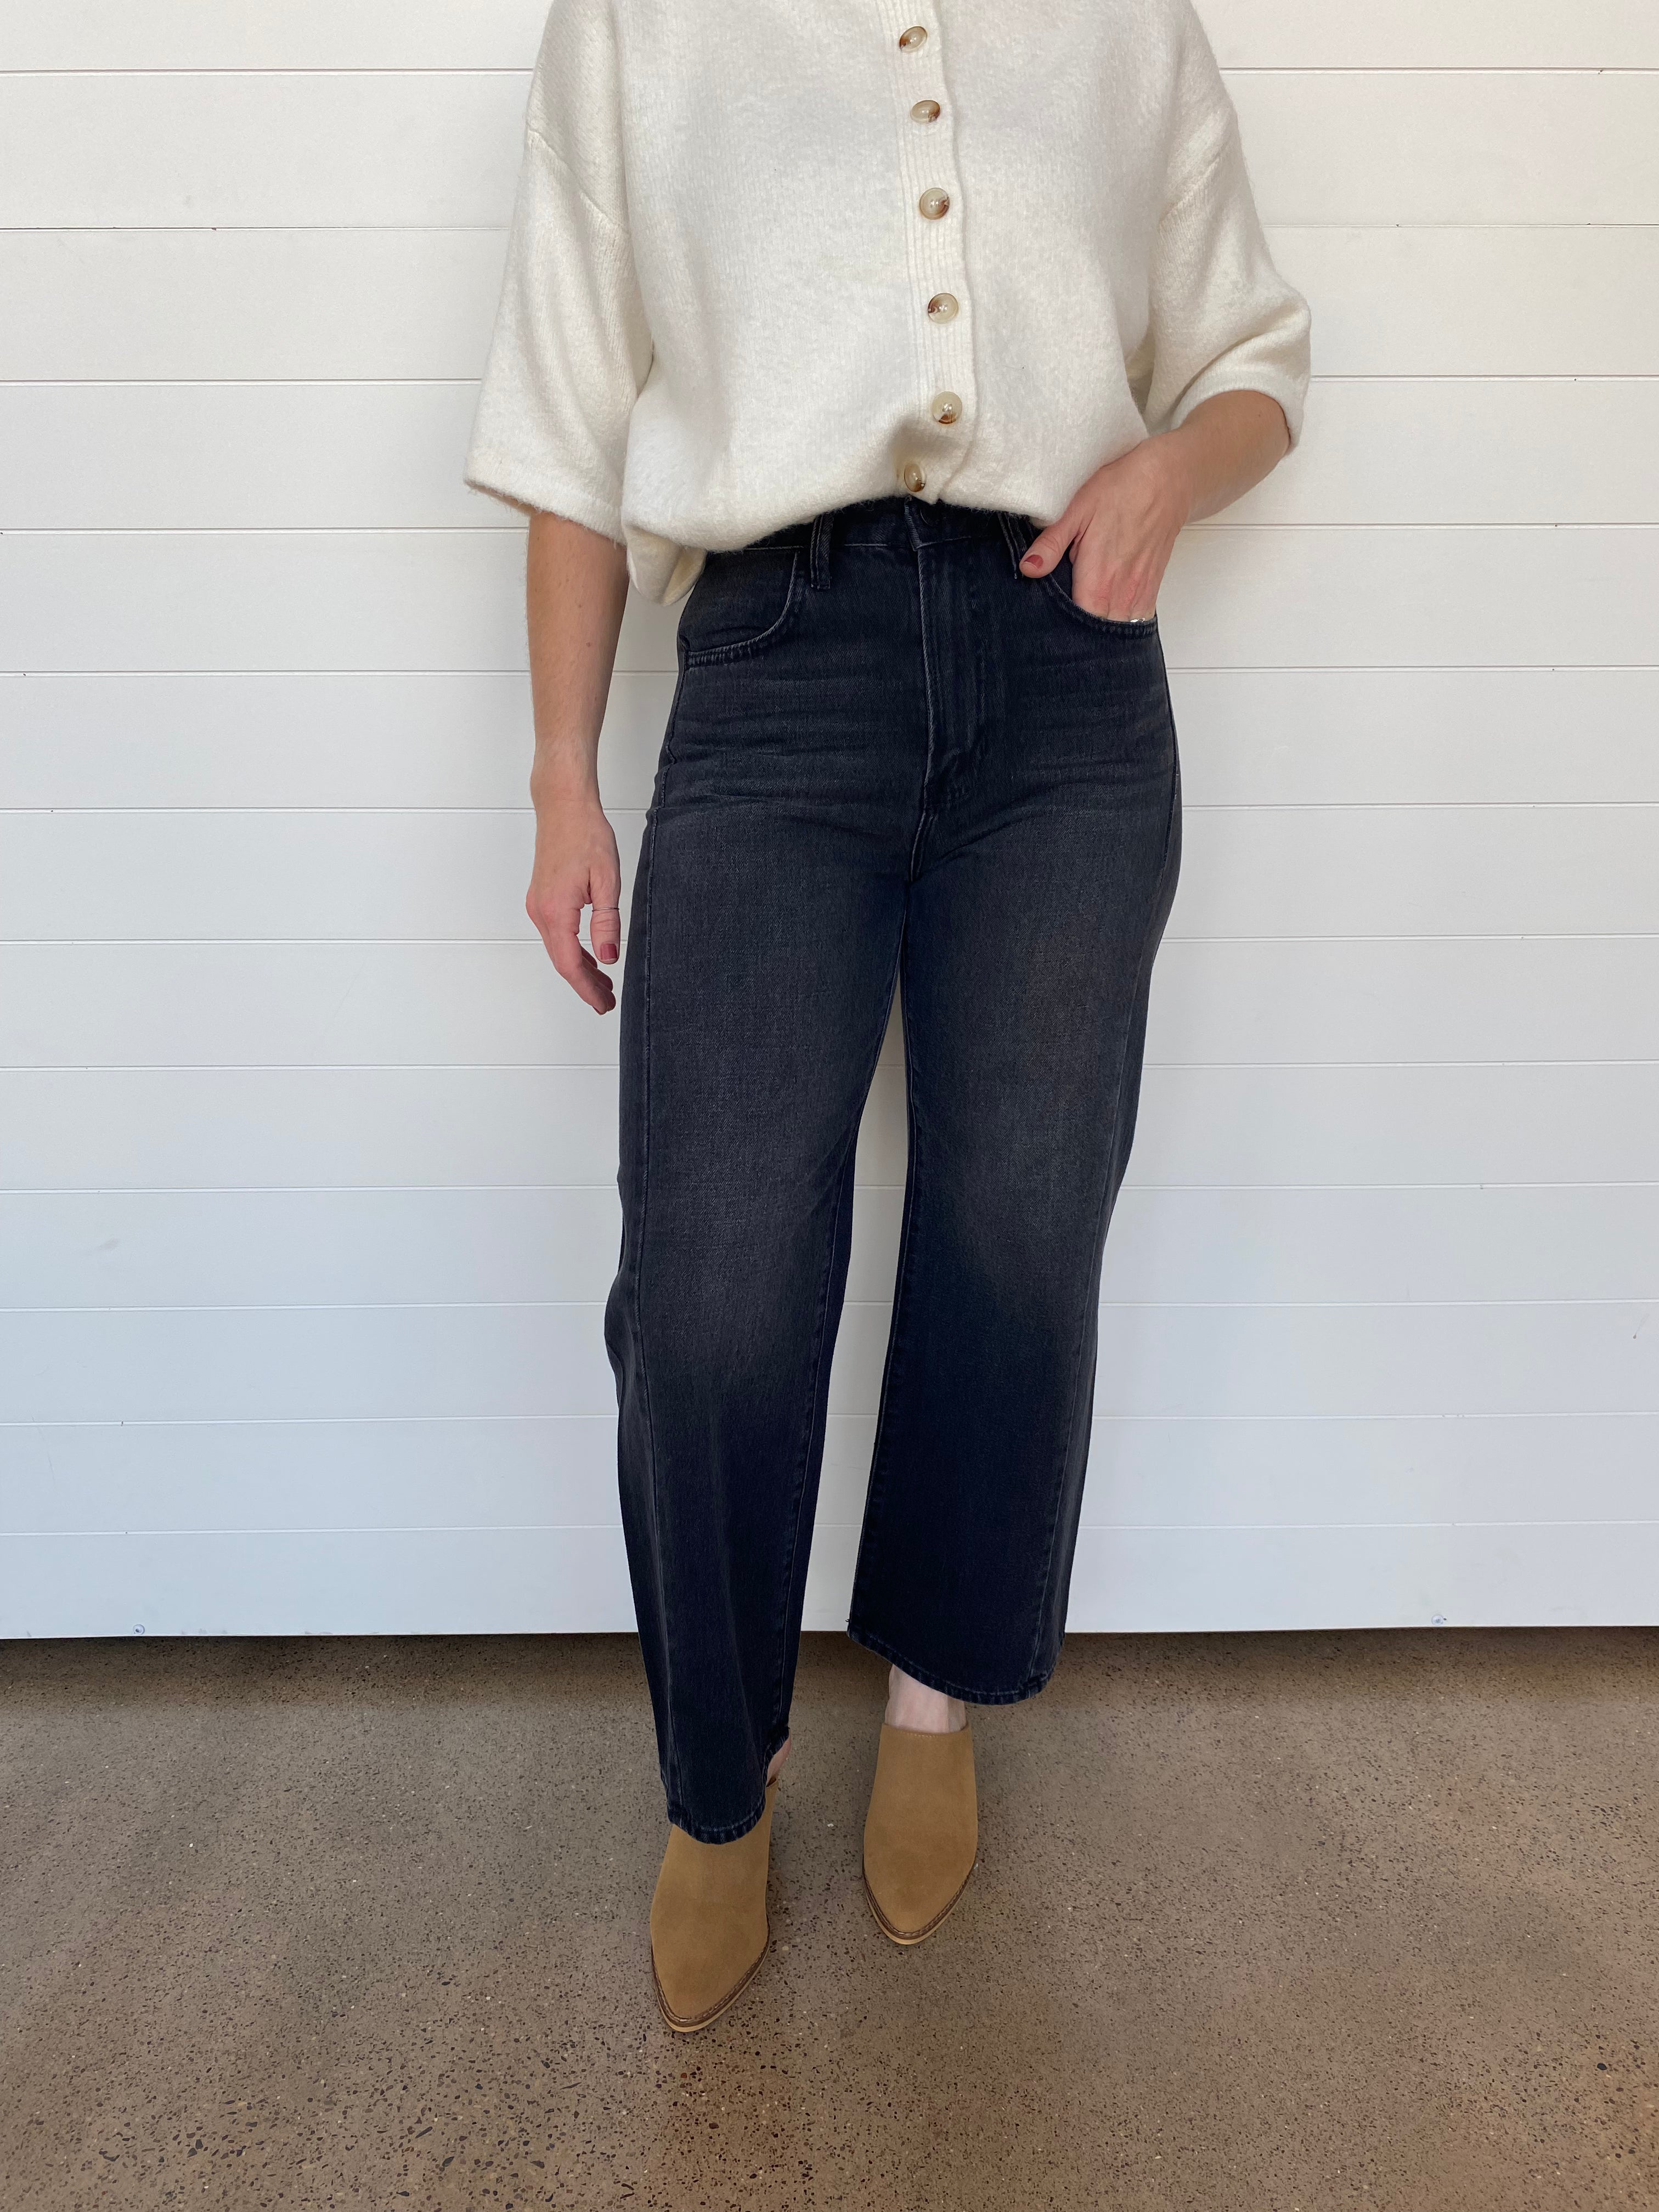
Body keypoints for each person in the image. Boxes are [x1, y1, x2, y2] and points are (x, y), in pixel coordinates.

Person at [466, 0, 1311, 2033]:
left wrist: (1169, 473)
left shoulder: (1122, 22)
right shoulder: (640, 28)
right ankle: (721, 1775)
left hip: (1067, 679)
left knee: (1021, 1227)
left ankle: (933, 1701)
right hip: (777, 668)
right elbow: (568, 417)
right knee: (713, 1280)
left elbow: (1255, 356)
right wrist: (566, 776)